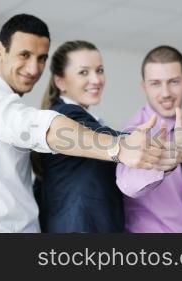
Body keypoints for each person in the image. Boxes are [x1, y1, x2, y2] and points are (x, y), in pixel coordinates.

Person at [0, 14, 168, 233]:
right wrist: (119, 147)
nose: (34, 69)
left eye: (41, 58)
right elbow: (46, 129)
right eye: (24, 55)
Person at [32, 41, 125, 233]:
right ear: (60, 81)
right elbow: (120, 141)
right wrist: (169, 143)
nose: (96, 79)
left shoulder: (70, 115)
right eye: (84, 72)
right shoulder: (66, 116)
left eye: (99, 70)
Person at [116, 45, 182, 233]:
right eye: (155, 83)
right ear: (144, 86)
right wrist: (167, 160)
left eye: (173, 82)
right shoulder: (136, 130)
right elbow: (127, 185)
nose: (166, 93)